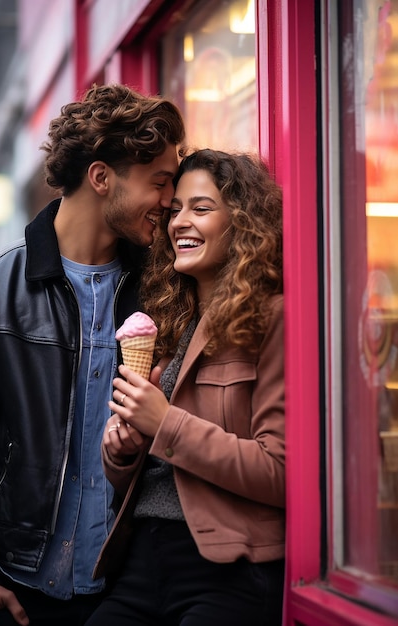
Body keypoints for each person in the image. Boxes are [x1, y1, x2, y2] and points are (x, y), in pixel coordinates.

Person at [0, 83, 185, 626]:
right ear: (101, 177)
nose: (169, 202)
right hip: (13, 585)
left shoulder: (165, 294)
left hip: (126, 593)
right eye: (159, 183)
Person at [86, 148, 285, 626]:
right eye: (175, 210)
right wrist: (123, 452)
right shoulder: (167, 323)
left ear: (242, 221)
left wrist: (165, 423)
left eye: (200, 208)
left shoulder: (273, 318)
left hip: (224, 568)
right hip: (139, 559)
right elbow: (142, 473)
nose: (179, 223)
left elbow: (281, 471)